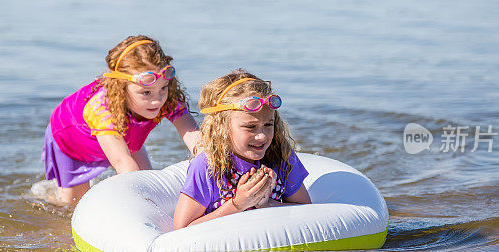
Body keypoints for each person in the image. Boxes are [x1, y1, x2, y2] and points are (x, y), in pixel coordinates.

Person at [42, 35, 200, 205]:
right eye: (146, 93)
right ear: (121, 87)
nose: (157, 100)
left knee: (148, 178)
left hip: (123, 135)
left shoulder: (167, 98)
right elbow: (122, 163)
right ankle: (41, 197)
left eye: (163, 88)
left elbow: (193, 136)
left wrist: (209, 159)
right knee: (71, 205)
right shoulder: (102, 110)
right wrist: (142, 204)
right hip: (71, 141)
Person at [173, 70, 311, 229]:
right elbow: (181, 230)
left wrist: (266, 204)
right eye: (250, 127)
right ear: (222, 127)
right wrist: (238, 204)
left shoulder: (282, 158)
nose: (262, 136)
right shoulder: (206, 167)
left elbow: (306, 211)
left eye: (268, 125)